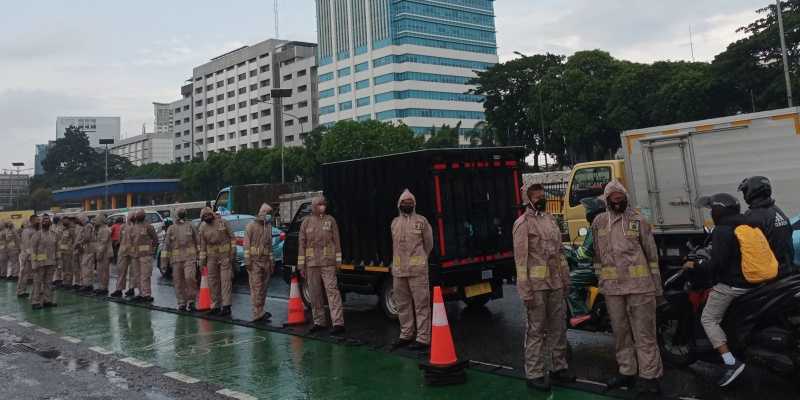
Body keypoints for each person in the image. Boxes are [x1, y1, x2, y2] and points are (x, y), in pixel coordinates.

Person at [592, 180, 663, 394]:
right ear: (606, 200)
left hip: (640, 288)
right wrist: (600, 280)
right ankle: (627, 372)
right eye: (613, 199)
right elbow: (597, 254)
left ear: (625, 199)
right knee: (620, 333)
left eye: (620, 199)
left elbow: (652, 256)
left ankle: (650, 377)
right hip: (613, 289)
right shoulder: (599, 222)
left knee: (644, 334)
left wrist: (657, 289)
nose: (617, 202)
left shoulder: (638, 220)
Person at [684, 193, 759, 387]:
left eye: (712, 209)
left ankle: (730, 362)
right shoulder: (747, 225)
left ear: (719, 210)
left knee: (708, 319)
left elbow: (716, 264)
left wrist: (696, 266)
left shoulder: (723, 230)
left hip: (732, 285)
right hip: (754, 282)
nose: (711, 212)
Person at [513, 184, 574, 391]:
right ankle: (535, 373)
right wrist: (525, 291)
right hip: (536, 288)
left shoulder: (550, 220)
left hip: (556, 284)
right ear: (527, 199)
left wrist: (566, 280)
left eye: (542, 196)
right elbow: (520, 263)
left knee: (558, 328)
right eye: (536, 196)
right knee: (536, 331)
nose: (541, 199)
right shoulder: (522, 224)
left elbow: (560, 254)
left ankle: (559, 368)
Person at [389, 189, 433, 351]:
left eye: (410, 203)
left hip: (417, 271)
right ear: (399, 205)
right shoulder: (394, 223)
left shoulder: (422, 221)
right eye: (404, 203)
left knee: (421, 304)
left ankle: (423, 338)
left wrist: (421, 259)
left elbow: (429, 244)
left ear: (414, 204)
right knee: (402, 304)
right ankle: (406, 334)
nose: (407, 205)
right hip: (399, 272)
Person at [297, 196, 345, 334]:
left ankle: (338, 323)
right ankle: (319, 321)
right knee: (314, 293)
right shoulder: (306, 222)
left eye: (323, 204)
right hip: (311, 263)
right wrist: (301, 266)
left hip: (328, 262)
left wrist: (338, 261)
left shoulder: (330, 221)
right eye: (319, 204)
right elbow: (302, 245)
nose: (322, 206)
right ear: (313, 206)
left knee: (332, 291)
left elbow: (337, 241)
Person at [738, 176, 795, 275]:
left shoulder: (753, 216)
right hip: (786, 268)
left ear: (752, 191)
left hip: (770, 273)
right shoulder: (776, 210)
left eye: (745, 191)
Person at [198, 207, 236, 316]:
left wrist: (233, 252)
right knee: (212, 282)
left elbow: (232, 238)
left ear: (212, 214)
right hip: (211, 258)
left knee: (225, 281)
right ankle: (215, 305)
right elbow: (203, 246)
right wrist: (202, 262)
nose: (207, 218)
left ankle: (226, 306)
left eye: (208, 215)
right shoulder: (203, 227)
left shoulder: (223, 223)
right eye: (204, 217)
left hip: (225, 256)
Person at [161, 208, 199, 312]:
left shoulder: (191, 226)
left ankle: (191, 301)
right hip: (176, 260)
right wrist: (164, 262)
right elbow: (166, 246)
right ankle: (181, 302)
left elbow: (198, 241)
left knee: (189, 278)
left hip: (190, 258)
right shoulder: (171, 229)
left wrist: (200, 257)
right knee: (178, 282)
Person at [244, 203, 275, 323]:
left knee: (264, 287)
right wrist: (247, 261)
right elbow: (246, 245)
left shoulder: (269, 227)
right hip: (254, 261)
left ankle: (261, 310)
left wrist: (272, 261)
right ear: (262, 213)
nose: (269, 216)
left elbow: (270, 245)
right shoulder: (251, 226)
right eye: (268, 214)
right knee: (256, 287)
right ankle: (257, 312)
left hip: (266, 260)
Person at [30, 214, 59, 309]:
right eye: (44, 220)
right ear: (41, 223)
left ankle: (47, 300)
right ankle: (35, 301)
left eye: (47, 220)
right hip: (40, 263)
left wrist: (58, 261)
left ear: (50, 222)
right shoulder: (37, 235)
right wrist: (34, 263)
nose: (45, 222)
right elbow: (33, 250)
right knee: (37, 282)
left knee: (48, 282)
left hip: (51, 262)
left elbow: (57, 249)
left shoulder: (54, 234)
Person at [130, 209, 158, 302]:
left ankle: (146, 294)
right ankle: (141, 293)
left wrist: (152, 250)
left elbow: (155, 239)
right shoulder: (133, 227)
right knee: (137, 275)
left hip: (146, 255)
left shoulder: (148, 227)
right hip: (135, 255)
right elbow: (130, 241)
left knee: (145, 275)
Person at [111, 212, 137, 298]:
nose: (128, 218)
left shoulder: (136, 227)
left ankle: (131, 289)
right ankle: (119, 289)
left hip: (133, 251)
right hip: (123, 251)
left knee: (133, 271)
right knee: (121, 270)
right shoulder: (123, 226)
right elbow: (120, 239)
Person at [17, 215, 39, 298]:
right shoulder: (27, 231)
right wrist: (30, 256)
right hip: (27, 256)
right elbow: (27, 245)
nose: (39, 222)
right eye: (37, 220)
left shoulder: (36, 230)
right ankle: (21, 291)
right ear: (32, 221)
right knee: (24, 274)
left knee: (36, 275)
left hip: (35, 256)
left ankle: (37, 290)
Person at [75, 214, 96, 292]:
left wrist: (79, 243)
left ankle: (87, 285)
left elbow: (87, 237)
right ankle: (87, 284)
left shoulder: (88, 226)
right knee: (87, 266)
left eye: (79, 220)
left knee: (86, 266)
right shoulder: (87, 226)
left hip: (89, 248)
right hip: (88, 248)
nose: (78, 222)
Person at [93, 213, 113, 296]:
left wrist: (100, 253)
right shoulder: (101, 229)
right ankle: (101, 287)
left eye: (96, 219)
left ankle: (104, 288)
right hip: (101, 252)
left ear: (101, 220)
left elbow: (103, 243)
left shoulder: (105, 229)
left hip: (104, 253)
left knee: (104, 271)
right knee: (100, 271)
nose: (95, 221)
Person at [57, 216, 77, 289]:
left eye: (65, 221)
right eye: (63, 221)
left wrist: (72, 248)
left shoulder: (71, 229)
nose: (64, 222)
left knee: (69, 268)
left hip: (69, 251)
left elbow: (75, 240)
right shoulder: (63, 230)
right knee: (64, 268)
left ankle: (68, 283)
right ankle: (64, 281)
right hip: (63, 251)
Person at [51, 215, 63, 286]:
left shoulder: (58, 227)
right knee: (57, 264)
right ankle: (57, 279)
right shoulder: (54, 227)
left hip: (57, 248)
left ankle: (58, 279)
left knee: (59, 264)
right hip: (55, 248)